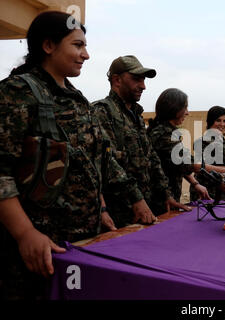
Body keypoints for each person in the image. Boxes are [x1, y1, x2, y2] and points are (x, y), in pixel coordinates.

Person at [0, 11, 147, 299]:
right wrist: (24, 233)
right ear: (48, 46)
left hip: (79, 243)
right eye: (77, 45)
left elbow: (102, 157)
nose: (86, 54)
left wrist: (132, 200)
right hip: (38, 251)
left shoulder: (76, 98)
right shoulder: (17, 92)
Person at [92, 55, 189, 226]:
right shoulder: (102, 113)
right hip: (120, 213)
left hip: (145, 208)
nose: (143, 86)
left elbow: (151, 158)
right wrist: (136, 199)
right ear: (117, 80)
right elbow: (109, 163)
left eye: (143, 80)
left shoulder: (135, 117)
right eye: (136, 79)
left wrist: (167, 195)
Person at [147, 88, 225, 215]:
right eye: (185, 108)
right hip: (162, 198)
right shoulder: (164, 135)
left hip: (173, 195)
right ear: (174, 109)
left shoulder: (170, 133)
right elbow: (194, 165)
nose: (187, 113)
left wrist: (194, 183)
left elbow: (180, 164)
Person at [189, 106, 225, 202]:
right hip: (207, 192)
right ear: (210, 121)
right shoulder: (201, 142)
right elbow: (201, 169)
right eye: (218, 120)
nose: (222, 124)